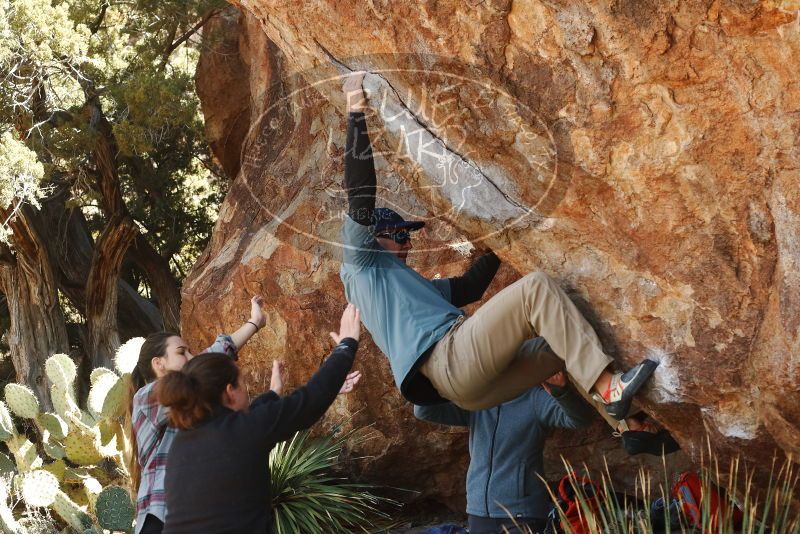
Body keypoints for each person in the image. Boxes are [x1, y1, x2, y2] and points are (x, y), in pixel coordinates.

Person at [338, 70, 657, 421]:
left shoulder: (402, 289)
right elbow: (361, 194)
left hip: (470, 392)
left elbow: (469, 287)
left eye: (408, 235)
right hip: (451, 359)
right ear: (372, 238)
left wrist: (500, 240)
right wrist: (355, 109)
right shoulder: (360, 263)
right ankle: (609, 388)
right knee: (536, 290)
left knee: (568, 333)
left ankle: (628, 429)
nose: (407, 243)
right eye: (399, 235)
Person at [157, 304, 362, 534]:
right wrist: (346, 346)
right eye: (242, 383)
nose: (247, 389)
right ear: (229, 391)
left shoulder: (181, 445)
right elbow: (310, 400)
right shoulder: (243, 431)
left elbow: (250, 420)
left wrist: (274, 392)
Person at [414, 344, 594, 534]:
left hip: (521, 514)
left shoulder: (535, 399)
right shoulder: (478, 400)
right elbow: (424, 410)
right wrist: (432, 375)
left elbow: (580, 419)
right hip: (478, 511)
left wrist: (561, 391)